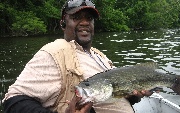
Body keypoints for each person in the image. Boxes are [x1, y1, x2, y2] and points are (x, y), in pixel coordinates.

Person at [2, 0, 152, 113]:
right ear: (63, 23)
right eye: (77, 17)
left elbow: (114, 98)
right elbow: (13, 101)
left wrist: (134, 95)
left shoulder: (99, 55)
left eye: (89, 18)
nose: (85, 23)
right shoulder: (56, 51)